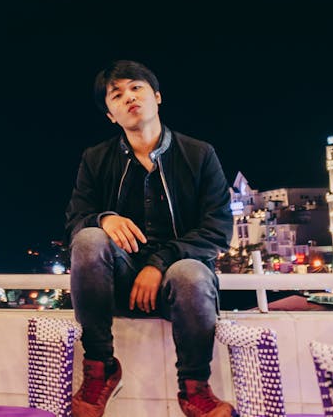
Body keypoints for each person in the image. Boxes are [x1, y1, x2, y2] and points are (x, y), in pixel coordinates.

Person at [65, 60, 233, 417]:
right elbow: (75, 221)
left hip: (181, 284)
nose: (128, 97)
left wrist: (158, 264)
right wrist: (103, 219)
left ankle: (195, 389)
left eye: (136, 88)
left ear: (156, 96)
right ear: (110, 115)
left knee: (190, 273)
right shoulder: (95, 160)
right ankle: (100, 367)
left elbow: (218, 230)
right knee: (89, 239)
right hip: (120, 284)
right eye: (116, 94)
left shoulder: (199, 155)